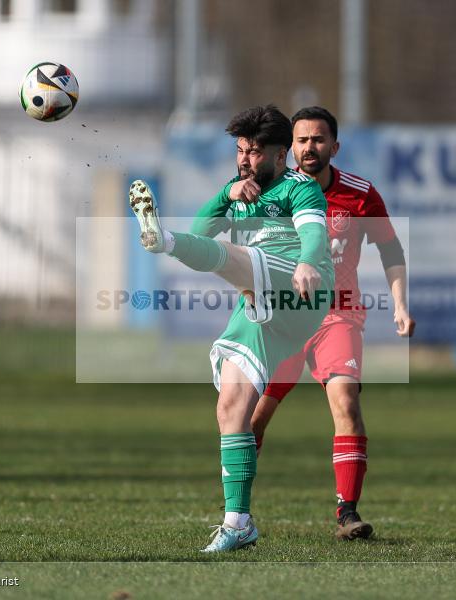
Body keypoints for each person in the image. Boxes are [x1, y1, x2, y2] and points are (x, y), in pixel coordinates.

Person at [129, 105, 334, 552]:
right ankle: (238, 522)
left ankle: (158, 237)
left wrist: (305, 261)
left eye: (255, 152)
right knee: (231, 406)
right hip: (259, 303)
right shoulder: (237, 191)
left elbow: (314, 236)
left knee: (240, 257)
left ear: (282, 157)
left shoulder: (300, 189)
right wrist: (225, 196)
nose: (245, 160)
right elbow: (202, 233)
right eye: (240, 151)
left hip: (301, 288)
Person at [249, 106, 415, 540]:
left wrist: (399, 304)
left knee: (346, 405)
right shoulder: (270, 192)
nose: (309, 148)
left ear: (334, 147)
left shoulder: (360, 195)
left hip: (336, 316)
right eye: (301, 140)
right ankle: (237, 514)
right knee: (251, 419)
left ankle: (348, 514)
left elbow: (392, 252)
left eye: (318, 140)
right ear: (289, 148)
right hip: (282, 318)